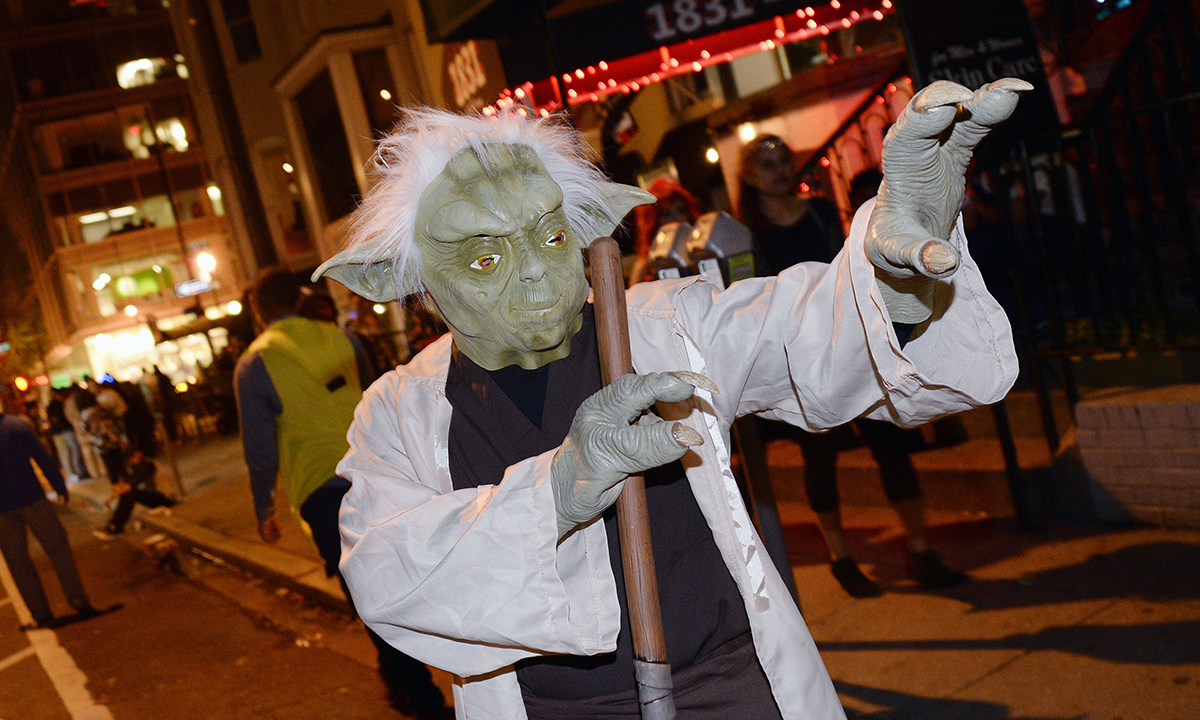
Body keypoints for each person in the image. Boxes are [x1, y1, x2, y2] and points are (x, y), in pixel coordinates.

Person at [314, 78, 1028, 719]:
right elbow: (386, 572)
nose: (536, 275)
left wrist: (897, 275)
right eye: (483, 258)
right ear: (405, 279)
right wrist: (562, 488)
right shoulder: (398, 412)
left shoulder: (662, 326)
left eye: (552, 234)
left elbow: (809, 330)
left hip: (730, 689)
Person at [736, 139, 967, 598]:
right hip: (796, 352)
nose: (780, 171)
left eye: (784, 161)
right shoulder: (745, 232)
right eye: (768, 165)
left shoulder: (820, 211)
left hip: (846, 336)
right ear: (749, 176)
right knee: (818, 452)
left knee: (889, 440)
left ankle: (920, 548)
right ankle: (839, 555)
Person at [234, 266, 448, 719]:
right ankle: (399, 679)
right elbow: (379, 397)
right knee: (390, 582)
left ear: (257, 308)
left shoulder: (254, 365)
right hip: (376, 471)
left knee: (369, 597)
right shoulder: (342, 339)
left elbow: (260, 448)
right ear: (299, 298)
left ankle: (424, 698)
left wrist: (263, 507)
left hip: (321, 488)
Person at [0, 399, 99, 629]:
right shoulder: (17, 425)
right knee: (57, 547)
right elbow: (40, 456)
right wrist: (58, 484)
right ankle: (77, 597)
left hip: (2, 509)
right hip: (31, 496)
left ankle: (41, 613)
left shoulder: (16, 425)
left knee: (18, 561)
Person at [93, 447, 176, 539]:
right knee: (129, 494)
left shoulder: (148, 465)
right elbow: (127, 483)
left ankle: (115, 527)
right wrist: (113, 494)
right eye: (129, 458)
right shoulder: (138, 466)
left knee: (130, 493)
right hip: (155, 496)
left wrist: (111, 498)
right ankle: (113, 526)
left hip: (165, 497)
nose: (131, 460)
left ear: (139, 454)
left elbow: (131, 484)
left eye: (132, 457)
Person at [77, 389, 126, 485]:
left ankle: (118, 489)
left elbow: (84, 431)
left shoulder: (85, 415)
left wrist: (93, 438)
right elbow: (113, 421)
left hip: (101, 443)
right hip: (113, 439)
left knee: (111, 469)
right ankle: (127, 486)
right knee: (121, 465)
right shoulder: (102, 408)